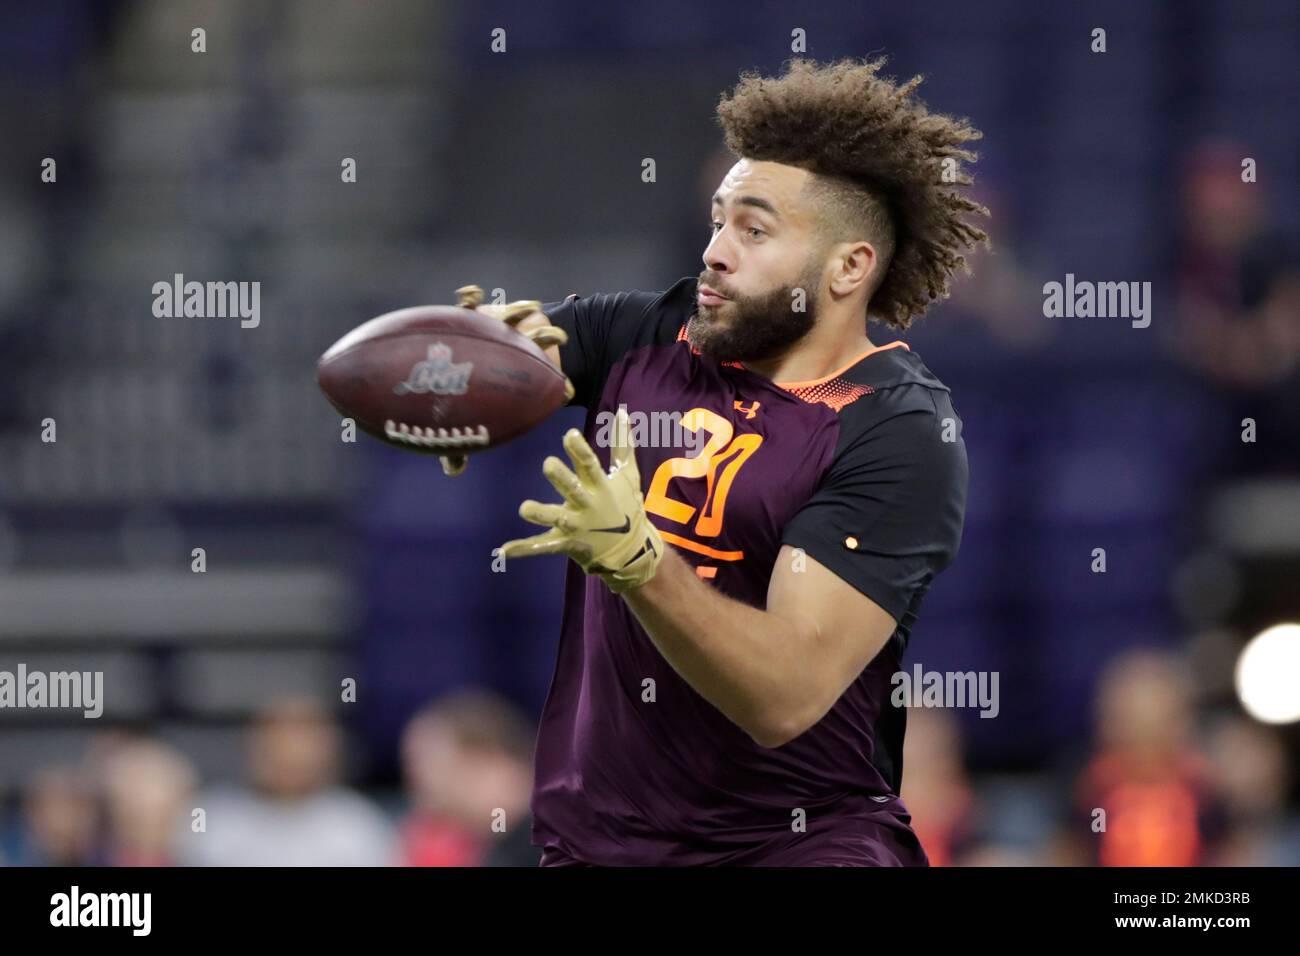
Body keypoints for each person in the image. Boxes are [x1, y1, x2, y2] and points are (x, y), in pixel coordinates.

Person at [451, 57, 985, 865]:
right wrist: (451, 375)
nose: (715, 252)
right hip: (600, 844)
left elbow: (784, 695)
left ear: (848, 268)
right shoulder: (644, 335)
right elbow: (470, 363)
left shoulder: (897, 430)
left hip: (796, 846)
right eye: (717, 220)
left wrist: (640, 561)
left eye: (754, 229)